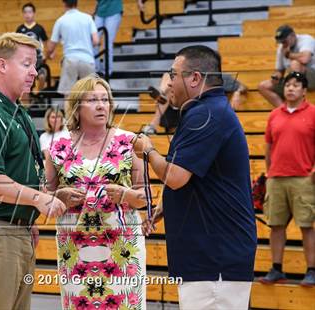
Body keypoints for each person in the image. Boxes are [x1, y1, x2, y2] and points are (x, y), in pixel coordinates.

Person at [135, 45, 257, 309]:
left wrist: (148, 150)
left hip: (214, 259)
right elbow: (199, 175)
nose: (168, 83)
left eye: (173, 74)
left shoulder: (206, 114)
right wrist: (165, 206)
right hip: (211, 257)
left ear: (194, 78)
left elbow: (176, 176)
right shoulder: (207, 110)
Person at [0, 32, 66, 310]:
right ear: (2, 65)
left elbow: (25, 170)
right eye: (27, 64)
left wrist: (38, 206)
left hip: (14, 231)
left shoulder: (17, 111)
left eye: (35, 65)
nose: (34, 72)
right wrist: (38, 200)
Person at [45, 74, 147, 310]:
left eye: (105, 99)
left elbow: (145, 199)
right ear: (77, 107)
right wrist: (59, 196)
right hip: (75, 250)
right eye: (92, 100)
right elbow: (45, 199)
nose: (101, 105)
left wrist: (125, 195)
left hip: (122, 248)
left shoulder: (130, 142)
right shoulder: (57, 148)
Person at [260, 71, 315, 287]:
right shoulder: (274, 115)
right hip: (276, 178)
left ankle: (311, 270)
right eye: (288, 85)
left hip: (304, 178)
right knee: (276, 225)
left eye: (296, 85)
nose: (291, 88)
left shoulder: (313, 113)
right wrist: (269, 172)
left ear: (304, 90)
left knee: (307, 226)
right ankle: (276, 268)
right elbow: (268, 147)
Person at [141, 73, 247, 134]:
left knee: (171, 84)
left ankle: (152, 124)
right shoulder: (193, 76)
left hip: (197, 115)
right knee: (169, 76)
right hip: (179, 110)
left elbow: (243, 86)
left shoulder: (220, 77)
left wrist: (237, 92)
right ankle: (162, 92)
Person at [46, 0, 99, 96]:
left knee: (69, 95)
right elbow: (96, 41)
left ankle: (70, 111)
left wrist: (48, 55)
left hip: (70, 59)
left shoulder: (61, 21)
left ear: (64, 3)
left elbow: (51, 47)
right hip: (87, 59)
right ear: (76, 3)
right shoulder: (88, 18)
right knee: (90, 94)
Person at [258, 25, 315, 107]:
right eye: (281, 42)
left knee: (295, 64)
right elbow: (280, 70)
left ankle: (297, 102)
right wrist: (276, 76)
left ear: (292, 35)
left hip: (312, 77)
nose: (283, 44)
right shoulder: (281, 48)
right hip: (293, 79)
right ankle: (284, 110)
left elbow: (305, 59)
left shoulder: (306, 40)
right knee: (263, 86)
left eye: (285, 41)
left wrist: (288, 55)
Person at [16, 2, 48, 92]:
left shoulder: (39, 28)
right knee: (26, 82)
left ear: (34, 13)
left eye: (29, 12)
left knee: (42, 76)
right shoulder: (20, 29)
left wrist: (47, 54)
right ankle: (28, 102)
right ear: (23, 14)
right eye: (25, 12)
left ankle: (39, 95)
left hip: (39, 59)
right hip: (25, 60)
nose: (27, 15)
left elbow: (45, 42)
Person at [94, 0, 122, 76]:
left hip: (114, 11)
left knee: (107, 42)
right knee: (93, 41)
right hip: (100, 12)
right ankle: (95, 69)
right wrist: (94, 12)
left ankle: (107, 71)